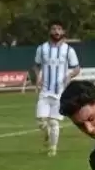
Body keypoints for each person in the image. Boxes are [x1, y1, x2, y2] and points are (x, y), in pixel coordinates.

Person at [33, 20, 80, 156]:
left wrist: (69, 76)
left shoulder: (68, 50)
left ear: (63, 32)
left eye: (59, 29)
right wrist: (38, 77)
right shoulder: (42, 49)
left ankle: (52, 148)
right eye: (54, 29)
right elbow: (36, 65)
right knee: (41, 121)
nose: (56, 32)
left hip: (60, 92)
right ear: (50, 31)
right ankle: (47, 133)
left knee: (54, 122)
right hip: (45, 90)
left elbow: (76, 68)